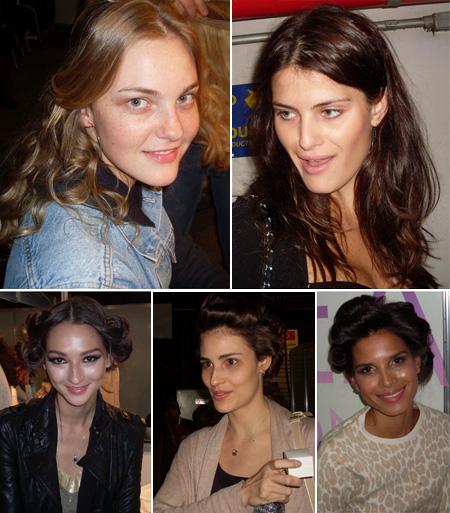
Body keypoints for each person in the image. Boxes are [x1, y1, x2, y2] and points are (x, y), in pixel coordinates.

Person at [0, 0, 227, 289]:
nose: (175, 130)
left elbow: (182, 258)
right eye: (138, 102)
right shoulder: (89, 275)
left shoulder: (122, 178)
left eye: (184, 98)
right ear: (86, 110)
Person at [232, 5, 440, 289]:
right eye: (287, 113)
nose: (305, 140)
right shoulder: (252, 229)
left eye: (329, 112)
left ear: (378, 106)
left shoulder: (393, 223)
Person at [154, 294, 314, 513]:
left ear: (263, 361)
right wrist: (241, 497)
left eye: (230, 362)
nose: (213, 379)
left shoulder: (308, 439)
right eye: (207, 364)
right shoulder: (195, 449)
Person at [0, 296, 145, 513]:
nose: (75, 377)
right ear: (44, 362)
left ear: (108, 358)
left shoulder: (128, 434)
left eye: (89, 358)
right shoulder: (10, 429)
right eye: (59, 360)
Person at [318, 295, 450, 512]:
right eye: (368, 370)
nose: (387, 381)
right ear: (354, 381)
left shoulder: (444, 430)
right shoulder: (338, 455)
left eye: (397, 361)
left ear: (417, 362)